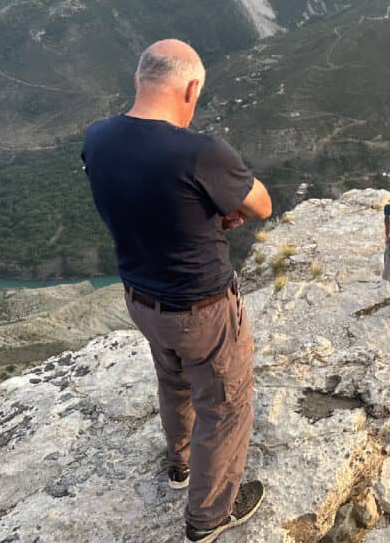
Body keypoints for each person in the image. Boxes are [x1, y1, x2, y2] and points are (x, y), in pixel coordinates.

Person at [81, 39, 272, 543]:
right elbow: (262, 205)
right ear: (190, 88)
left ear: (139, 79)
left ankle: (180, 463)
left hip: (141, 299)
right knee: (225, 405)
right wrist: (221, 206)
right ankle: (209, 517)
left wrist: (201, 211)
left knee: (174, 382)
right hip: (202, 307)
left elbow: (152, 203)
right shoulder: (201, 151)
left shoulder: (98, 138)